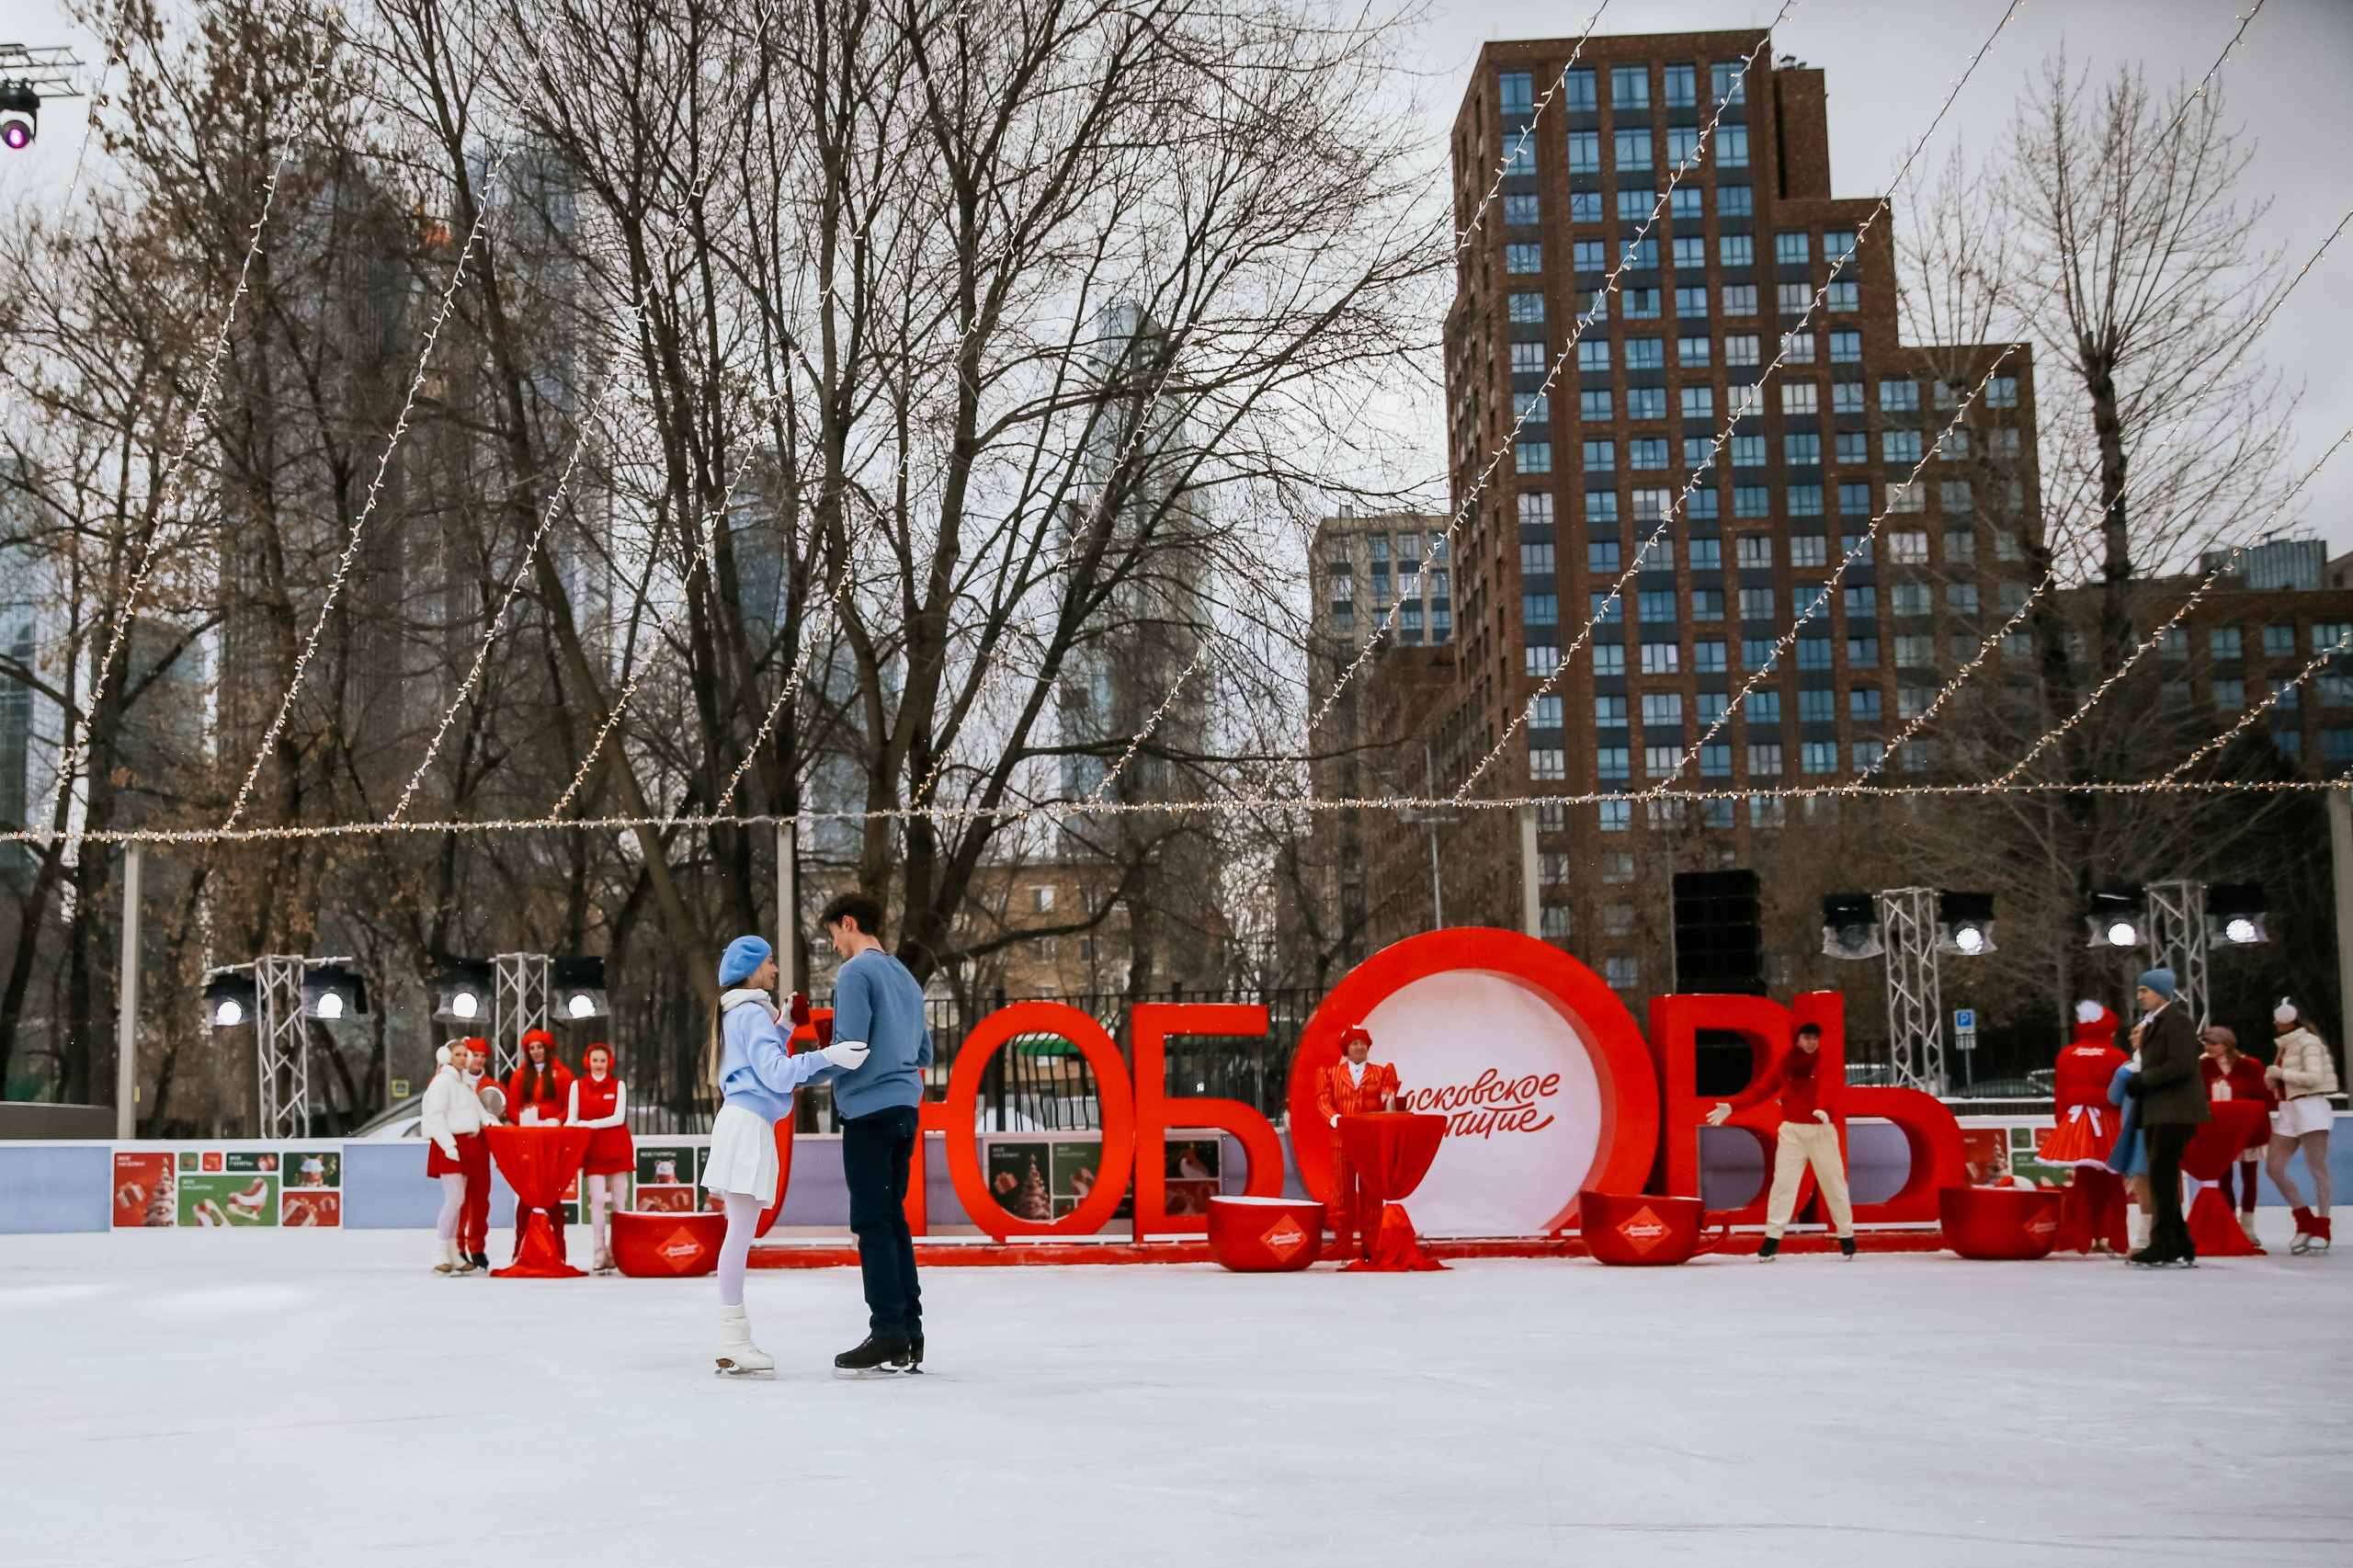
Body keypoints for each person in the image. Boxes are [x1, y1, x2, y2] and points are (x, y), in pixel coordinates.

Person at [708, 936, 865, 1374]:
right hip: (747, 1126)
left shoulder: (739, 1011)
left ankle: (733, 1337)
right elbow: (776, 1075)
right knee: (739, 1235)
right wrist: (826, 1055)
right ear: (752, 969)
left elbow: (759, 1062)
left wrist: (786, 1028)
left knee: (739, 1234)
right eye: (770, 962)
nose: (775, 969)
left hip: (742, 1122)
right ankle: (732, 1338)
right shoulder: (750, 1012)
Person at [821, 891, 937, 1379]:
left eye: (833, 935)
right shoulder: (905, 977)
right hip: (905, 1109)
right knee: (893, 1219)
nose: (834, 946)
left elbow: (850, 1047)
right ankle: (909, 1330)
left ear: (849, 923)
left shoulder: (855, 973)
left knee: (871, 1222)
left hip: (868, 1110)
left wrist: (798, 1073)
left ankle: (888, 1329)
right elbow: (924, 1052)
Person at [1707, 1021, 1855, 1260]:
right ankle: (1772, 1238)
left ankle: (1846, 1234)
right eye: (1806, 1038)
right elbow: (1761, 1090)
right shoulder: (1785, 1065)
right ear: (1797, 1040)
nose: (1811, 1042)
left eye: (1814, 1038)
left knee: (1833, 1182)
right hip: (1792, 1131)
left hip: (1821, 1129)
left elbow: (1827, 1086)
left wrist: (1822, 1108)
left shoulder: (1823, 1063)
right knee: (1784, 1184)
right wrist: (1733, 1106)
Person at [2120, 969, 2207, 1267]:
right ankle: (2178, 1241)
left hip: (2174, 1110)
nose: (2139, 996)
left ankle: (2164, 1242)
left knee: (2162, 1176)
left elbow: (2181, 1064)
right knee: (2162, 1177)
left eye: (2144, 990)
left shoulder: (2176, 1021)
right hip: (2160, 1109)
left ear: (2161, 992)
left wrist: (2144, 1080)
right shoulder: (2158, 1022)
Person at [2042, 1000, 2130, 1254]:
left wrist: (2063, 1123)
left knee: (2083, 1182)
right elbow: (2123, 1095)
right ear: (2110, 1030)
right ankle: (2118, 1239)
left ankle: (2083, 1239)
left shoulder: (2066, 1054)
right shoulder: (2118, 1057)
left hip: (2078, 1120)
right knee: (2114, 1183)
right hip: (2110, 1121)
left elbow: (2060, 1092)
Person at [1314, 1025, 1400, 1262]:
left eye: (1363, 1043)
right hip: (1341, 1141)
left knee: (1372, 1195)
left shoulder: (1381, 1072)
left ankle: (1372, 1249)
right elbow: (1323, 1101)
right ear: (1346, 1048)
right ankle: (1342, 1247)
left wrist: (1387, 1101)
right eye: (1355, 1043)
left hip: (1371, 1143)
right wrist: (1335, 1118)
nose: (1359, 1047)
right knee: (1342, 1196)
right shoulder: (1330, 1074)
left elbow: (1389, 1100)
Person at [2265, 998, 2338, 1255]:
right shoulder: (2286, 1046)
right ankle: (2304, 1219)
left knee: (2317, 1167)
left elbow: (2314, 1077)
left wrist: (2280, 1074)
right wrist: (2272, 1078)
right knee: (2274, 1168)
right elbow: (2279, 1080)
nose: (2276, 1024)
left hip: (2310, 1106)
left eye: (2278, 1020)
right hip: (2289, 1108)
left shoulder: (2308, 1042)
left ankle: (2323, 1226)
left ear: (2288, 1021)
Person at [421, 1040, 499, 1275]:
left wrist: (490, 1122)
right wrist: (448, 1145)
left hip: (464, 1144)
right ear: (447, 1056)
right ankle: (440, 1250)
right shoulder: (442, 1082)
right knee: (455, 1199)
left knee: (460, 1199)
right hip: (448, 1144)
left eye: (465, 1054)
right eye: (458, 1054)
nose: (463, 1058)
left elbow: (479, 1110)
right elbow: (435, 1116)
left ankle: (454, 1251)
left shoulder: (463, 1083)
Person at [2200, 1025, 2273, 1245]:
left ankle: (2248, 1226)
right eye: (2207, 1043)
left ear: (2226, 1045)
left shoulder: (2250, 1065)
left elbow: (2264, 1096)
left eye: (2213, 1043)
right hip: (2221, 1130)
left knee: (2249, 1177)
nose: (2208, 1047)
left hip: (2249, 1129)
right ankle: (2229, 1223)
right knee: (2224, 1178)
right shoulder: (2203, 1066)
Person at [567, 1042, 633, 1274]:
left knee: (619, 1200)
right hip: (592, 1147)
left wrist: (588, 1124)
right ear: (588, 1062)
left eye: (602, 1060)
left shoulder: (618, 1085)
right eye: (594, 1060)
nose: (598, 1065)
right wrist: (570, 1127)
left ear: (609, 1062)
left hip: (617, 1145)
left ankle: (615, 1250)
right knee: (596, 1199)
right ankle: (598, 1251)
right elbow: (572, 1117)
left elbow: (618, 1117)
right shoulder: (577, 1086)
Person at [506, 1029, 573, 1126]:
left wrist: (558, 1120)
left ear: (547, 1049)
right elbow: (512, 1109)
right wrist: (524, 1121)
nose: (536, 1052)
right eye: (532, 1048)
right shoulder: (518, 1075)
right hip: (527, 1128)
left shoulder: (563, 1074)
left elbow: (571, 1107)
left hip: (555, 1128)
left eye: (540, 1047)